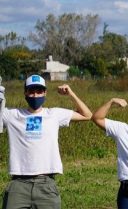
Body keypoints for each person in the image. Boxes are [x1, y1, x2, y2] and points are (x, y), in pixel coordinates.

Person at [0, 74, 92, 209]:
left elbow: (87, 115)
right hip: (18, 184)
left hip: (46, 184)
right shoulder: (12, 115)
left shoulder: (54, 114)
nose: (35, 95)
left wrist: (70, 94)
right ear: (25, 93)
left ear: (45, 92)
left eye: (39, 91)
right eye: (31, 91)